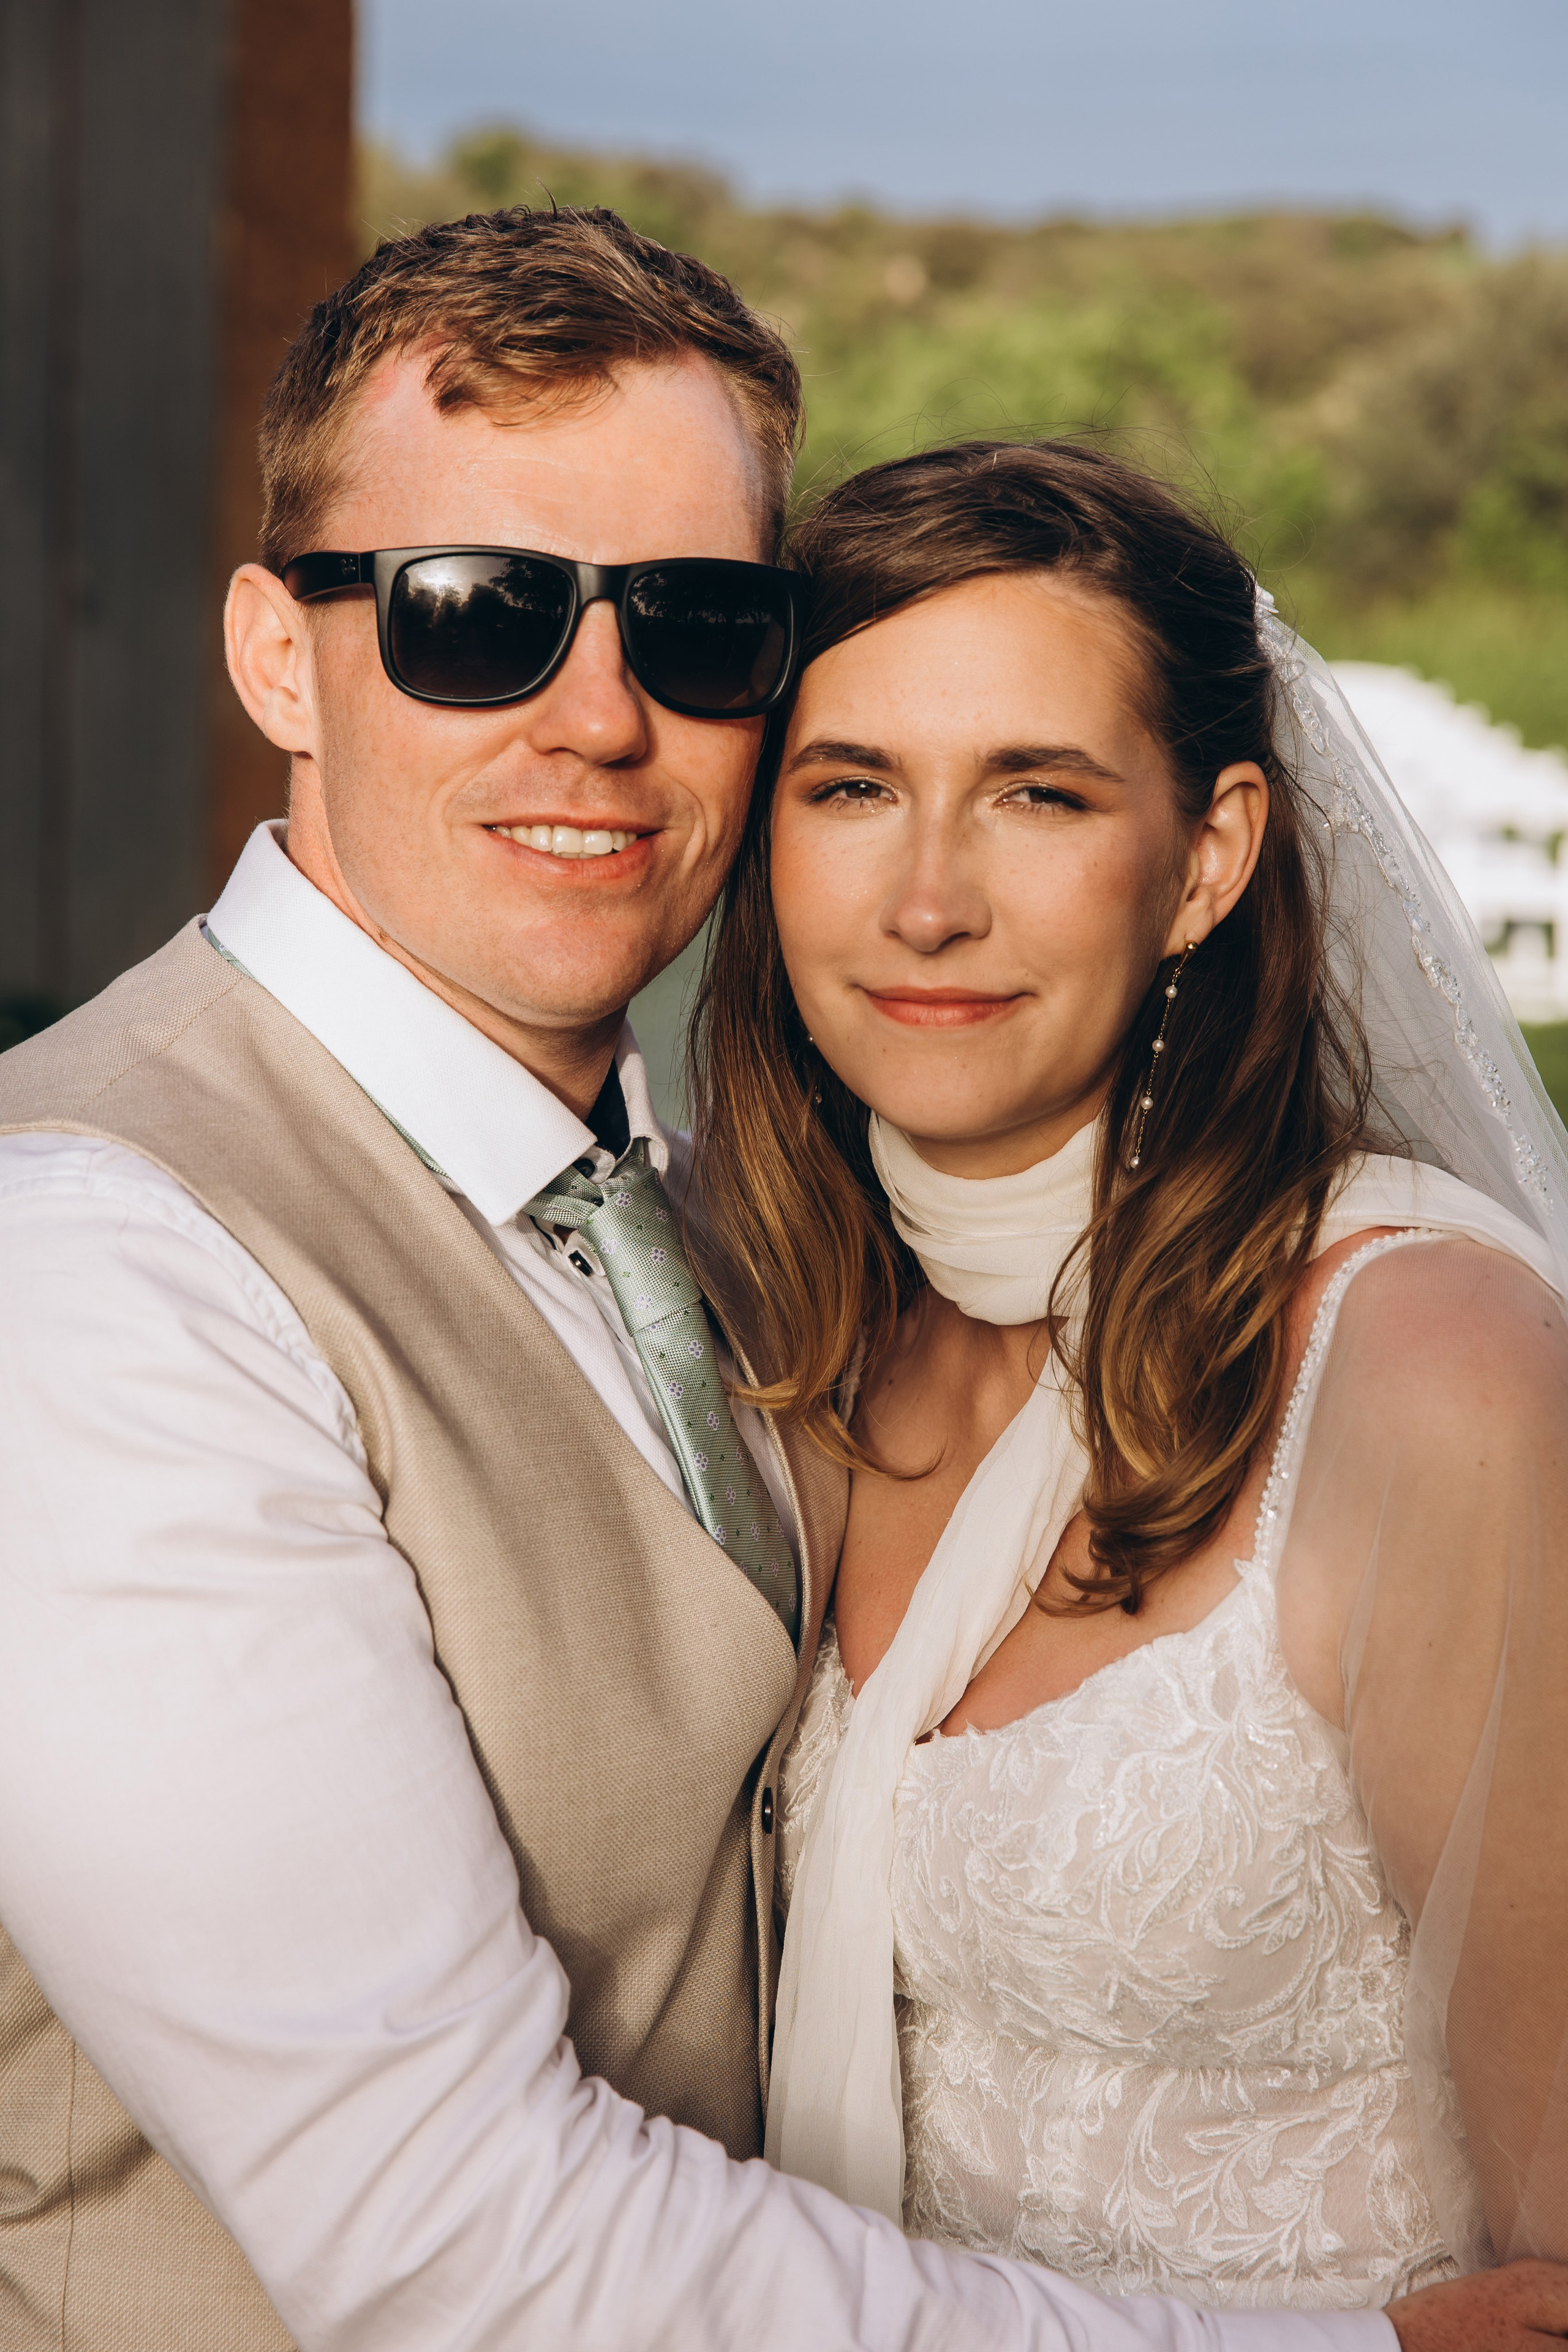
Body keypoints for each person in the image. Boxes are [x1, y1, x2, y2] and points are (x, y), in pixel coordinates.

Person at [0, 206, 1554, 2352]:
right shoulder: (102, 1263)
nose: (601, 719)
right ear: (282, 654)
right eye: (476, 617)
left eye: (705, 629)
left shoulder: (721, 1240)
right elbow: (460, 2237)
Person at [688, 443, 1568, 2324]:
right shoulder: (790, 1337)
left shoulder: (1428, 1373)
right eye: (851, 788)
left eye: (1036, 792)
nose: (929, 900)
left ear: (1207, 858)